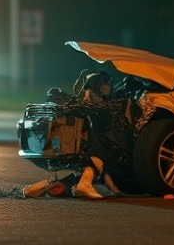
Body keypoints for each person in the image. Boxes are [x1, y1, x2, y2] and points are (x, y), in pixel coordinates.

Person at [22, 70, 121, 199]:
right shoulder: (95, 108)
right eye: (106, 85)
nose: (108, 88)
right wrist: (118, 192)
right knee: (98, 162)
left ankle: (37, 188)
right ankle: (83, 185)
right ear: (98, 86)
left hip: (62, 150)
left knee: (65, 182)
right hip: (83, 151)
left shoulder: (81, 104)